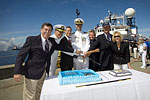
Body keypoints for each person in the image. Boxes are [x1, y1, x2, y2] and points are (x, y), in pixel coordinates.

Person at [13, 23, 75, 100]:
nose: (47, 32)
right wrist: (17, 72)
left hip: (43, 73)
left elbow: (62, 47)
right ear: (41, 30)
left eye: (49, 31)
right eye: (45, 30)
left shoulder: (51, 41)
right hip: (31, 73)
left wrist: (76, 51)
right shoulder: (31, 39)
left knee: (40, 93)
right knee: (30, 95)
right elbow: (21, 56)